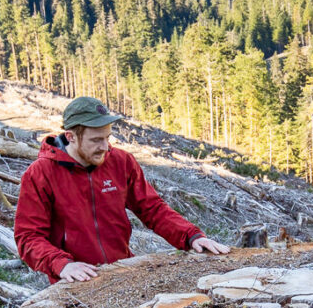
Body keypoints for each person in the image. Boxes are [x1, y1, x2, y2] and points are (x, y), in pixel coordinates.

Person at [14, 97, 232, 282]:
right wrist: (62, 265)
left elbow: (152, 209)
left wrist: (191, 236)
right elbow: (28, 236)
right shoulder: (41, 173)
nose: (105, 146)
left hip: (122, 272)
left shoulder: (121, 162)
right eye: (96, 140)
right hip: (75, 280)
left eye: (107, 137)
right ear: (70, 137)